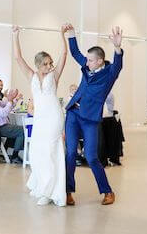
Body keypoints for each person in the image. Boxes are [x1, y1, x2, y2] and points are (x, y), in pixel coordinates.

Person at [63, 23, 123, 206]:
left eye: (90, 60)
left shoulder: (109, 73)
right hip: (73, 114)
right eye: (87, 60)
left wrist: (117, 47)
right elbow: (75, 54)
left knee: (91, 157)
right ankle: (67, 191)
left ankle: (107, 191)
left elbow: (118, 65)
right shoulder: (87, 67)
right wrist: (72, 34)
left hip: (90, 120)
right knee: (71, 152)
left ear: (99, 61)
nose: (86, 62)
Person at [12, 25, 68, 206]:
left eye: (50, 63)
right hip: (40, 118)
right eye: (45, 63)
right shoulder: (32, 76)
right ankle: (41, 185)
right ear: (37, 65)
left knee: (51, 151)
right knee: (37, 151)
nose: (50, 66)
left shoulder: (55, 75)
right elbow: (18, 58)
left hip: (54, 116)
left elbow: (64, 56)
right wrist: (15, 35)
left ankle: (51, 191)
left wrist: (61, 35)